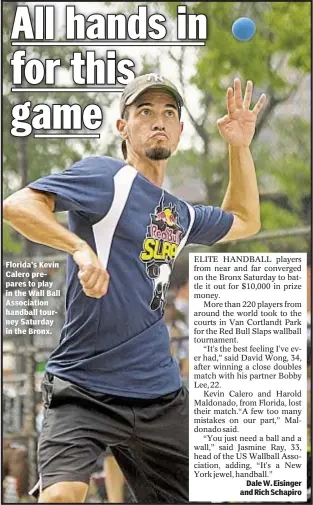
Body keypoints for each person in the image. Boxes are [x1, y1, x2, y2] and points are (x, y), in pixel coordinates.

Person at [3, 73, 266, 503]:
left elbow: (245, 220)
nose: (158, 120)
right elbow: (17, 205)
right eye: (144, 111)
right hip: (85, 387)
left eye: (168, 113)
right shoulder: (105, 177)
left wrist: (239, 145)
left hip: (159, 395)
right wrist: (79, 250)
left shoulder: (179, 214)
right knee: (60, 497)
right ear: (123, 127)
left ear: (180, 130)